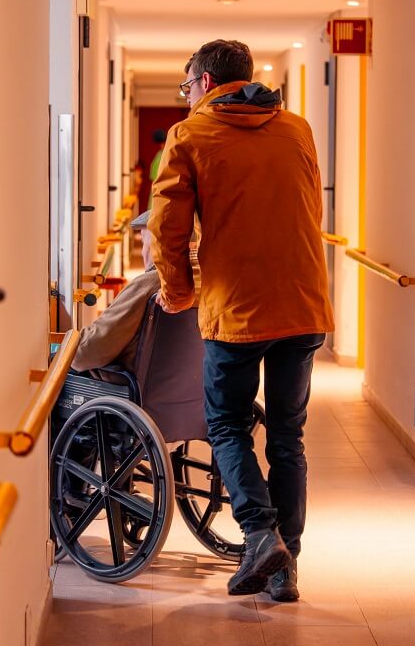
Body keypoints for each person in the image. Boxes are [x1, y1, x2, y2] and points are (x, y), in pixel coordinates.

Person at [149, 39, 333, 603]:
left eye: (187, 88)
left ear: (203, 83)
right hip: (303, 305)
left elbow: (167, 228)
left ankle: (259, 534)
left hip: (236, 308)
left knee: (226, 424)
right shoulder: (297, 129)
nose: (186, 98)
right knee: (287, 437)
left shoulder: (189, 136)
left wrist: (176, 292)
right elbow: (308, 209)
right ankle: (286, 569)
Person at [70, 210, 161, 372]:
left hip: (127, 389)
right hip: (191, 395)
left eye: (144, 243)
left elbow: (86, 354)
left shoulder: (147, 285)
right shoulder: (208, 284)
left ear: (158, 246)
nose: (141, 252)